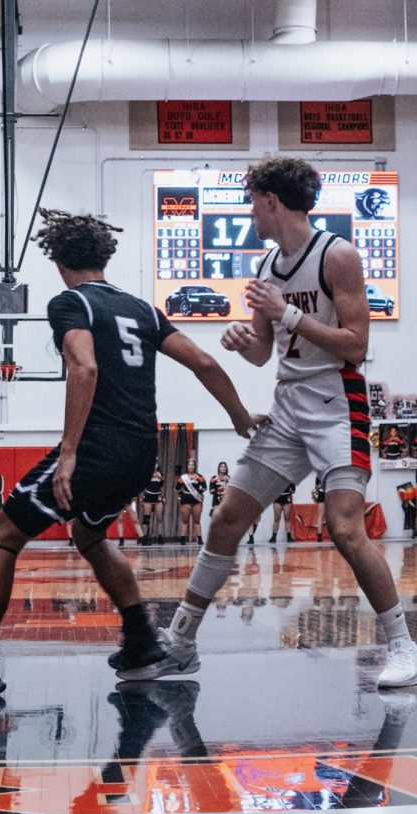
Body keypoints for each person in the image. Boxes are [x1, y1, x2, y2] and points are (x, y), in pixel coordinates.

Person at [0, 208, 261, 696]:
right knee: (89, 533)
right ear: (105, 255)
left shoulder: (71, 303)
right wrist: (239, 417)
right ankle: (142, 641)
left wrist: (69, 453)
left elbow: (84, 369)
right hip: (141, 453)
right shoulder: (143, 310)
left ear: (59, 259)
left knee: (1, 538)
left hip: (97, 449)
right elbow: (206, 362)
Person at [136, 157, 417, 688]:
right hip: (287, 404)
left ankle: (403, 644)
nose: (249, 211)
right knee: (224, 521)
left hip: (337, 399)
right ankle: (182, 641)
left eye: (251, 200)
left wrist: (286, 313)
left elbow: (356, 345)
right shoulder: (267, 268)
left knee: (344, 526)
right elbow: (266, 354)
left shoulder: (338, 255)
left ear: (270, 200)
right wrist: (245, 341)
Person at [175, 458, 206, 545]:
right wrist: (182, 493)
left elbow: (205, 487)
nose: (191, 466)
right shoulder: (183, 477)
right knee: (185, 520)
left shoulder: (199, 477)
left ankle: (199, 539)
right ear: (187, 466)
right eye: (189, 465)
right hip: (186, 501)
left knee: (197, 521)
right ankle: (182, 539)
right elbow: (176, 488)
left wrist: (200, 491)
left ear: (195, 466)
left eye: (193, 465)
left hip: (197, 501)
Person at [139, 464, 164, 544]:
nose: (155, 465)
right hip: (148, 496)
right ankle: (144, 537)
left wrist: (160, 477)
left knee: (160, 517)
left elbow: (161, 485)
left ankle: (160, 537)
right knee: (146, 518)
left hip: (157, 496)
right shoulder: (147, 473)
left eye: (156, 463)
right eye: (154, 463)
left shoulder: (160, 474)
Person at [312, 475, 326, 542]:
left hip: (322, 493)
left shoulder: (319, 474)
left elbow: (316, 487)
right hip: (328, 492)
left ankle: (319, 535)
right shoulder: (330, 471)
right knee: (328, 516)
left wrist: (319, 487)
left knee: (321, 516)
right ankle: (331, 536)